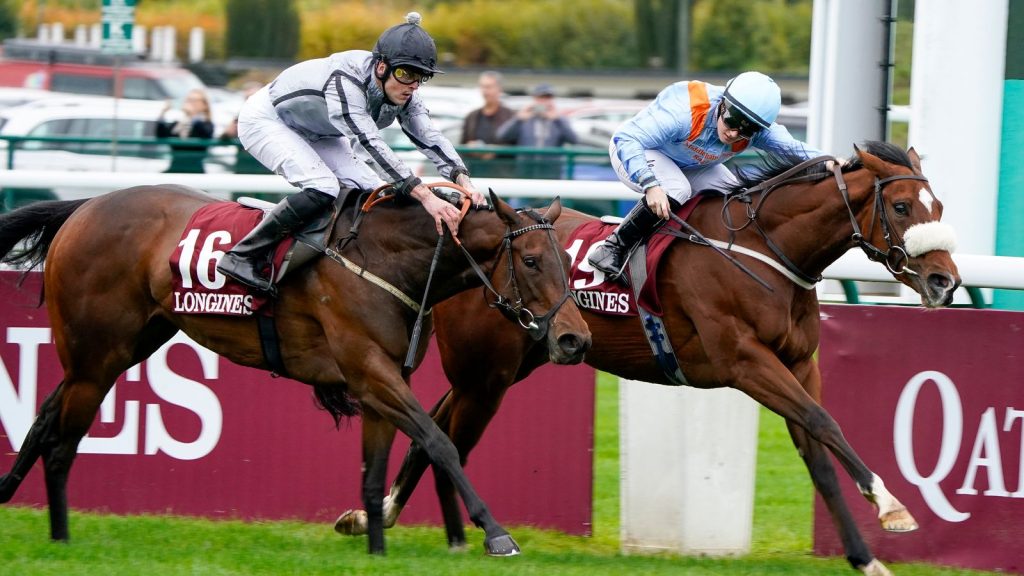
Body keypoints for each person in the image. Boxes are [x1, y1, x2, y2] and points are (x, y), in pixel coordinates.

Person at [216, 12, 485, 292]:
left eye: (421, 77)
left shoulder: (404, 91)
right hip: (269, 119)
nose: (412, 85)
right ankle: (243, 255)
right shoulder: (345, 81)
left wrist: (463, 180)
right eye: (406, 74)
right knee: (324, 187)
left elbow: (429, 136)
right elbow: (369, 143)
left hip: (318, 128)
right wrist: (427, 197)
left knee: (376, 190)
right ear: (381, 67)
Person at [587, 71, 827, 283]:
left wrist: (833, 161)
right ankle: (613, 248)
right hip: (638, 150)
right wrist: (650, 184)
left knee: (736, 195)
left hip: (689, 162)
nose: (734, 133)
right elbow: (628, 139)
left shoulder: (756, 127)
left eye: (747, 130)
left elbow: (795, 148)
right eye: (732, 121)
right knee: (677, 189)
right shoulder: (687, 111)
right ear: (722, 103)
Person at [496, 83, 577, 179]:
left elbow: (574, 139)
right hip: (526, 172)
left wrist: (557, 120)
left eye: (548, 97)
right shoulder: (524, 118)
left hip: (551, 173)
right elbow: (501, 135)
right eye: (541, 97)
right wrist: (518, 119)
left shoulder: (559, 120)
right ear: (535, 99)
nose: (544, 101)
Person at [459, 71, 515, 178]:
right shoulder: (472, 116)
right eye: (482, 87)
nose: (485, 91)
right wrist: (470, 148)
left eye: (489, 87)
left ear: (499, 89)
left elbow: (518, 146)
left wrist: (495, 150)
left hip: (503, 176)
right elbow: (462, 146)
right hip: (475, 174)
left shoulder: (511, 116)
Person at [156, 88, 215, 174]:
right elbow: (161, 135)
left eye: (195, 100)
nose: (190, 103)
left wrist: (193, 116)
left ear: (204, 105)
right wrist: (163, 113)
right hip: (175, 167)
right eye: (188, 100)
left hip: (195, 170)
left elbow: (205, 134)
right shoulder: (178, 123)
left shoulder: (206, 123)